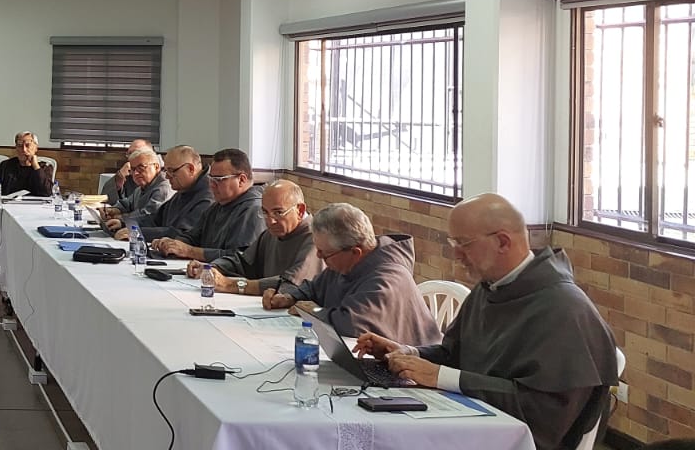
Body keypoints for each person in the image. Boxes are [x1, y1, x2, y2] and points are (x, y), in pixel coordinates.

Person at [353, 194, 617, 450]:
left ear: (502, 242)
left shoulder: (565, 310)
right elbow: (454, 354)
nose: (456, 255)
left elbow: (542, 412)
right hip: (470, 420)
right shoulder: (491, 287)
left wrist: (440, 376)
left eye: (463, 244)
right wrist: (408, 354)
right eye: (453, 243)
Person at [265, 202, 441, 345]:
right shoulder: (344, 261)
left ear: (355, 252)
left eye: (324, 253)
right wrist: (289, 297)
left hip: (413, 368)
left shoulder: (388, 278)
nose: (319, 256)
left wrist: (314, 311)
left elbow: (351, 323)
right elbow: (313, 289)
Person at [184, 179, 321, 296]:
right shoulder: (272, 233)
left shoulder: (316, 239)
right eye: (265, 212)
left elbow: (291, 285)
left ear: (300, 210)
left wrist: (230, 284)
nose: (271, 221)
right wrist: (210, 268)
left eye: (278, 212)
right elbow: (243, 263)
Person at [155, 148, 265, 262]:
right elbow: (193, 237)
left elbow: (240, 258)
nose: (212, 185)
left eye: (219, 179)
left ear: (241, 180)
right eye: (211, 179)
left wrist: (189, 251)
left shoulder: (254, 210)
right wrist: (172, 244)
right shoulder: (217, 206)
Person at [125, 145, 213, 243]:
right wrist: (126, 224)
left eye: (171, 171)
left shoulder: (208, 196)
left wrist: (136, 232)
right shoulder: (184, 189)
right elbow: (155, 219)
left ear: (190, 169)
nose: (167, 176)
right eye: (166, 170)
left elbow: (183, 234)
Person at [101, 149, 172, 240]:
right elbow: (126, 204)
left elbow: (149, 216)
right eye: (133, 169)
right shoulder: (142, 186)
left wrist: (121, 220)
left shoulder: (163, 188)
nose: (136, 173)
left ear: (156, 167)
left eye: (141, 168)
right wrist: (113, 210)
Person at [0, 132, 54, 198]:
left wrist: (36, 166)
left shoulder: (45, 167)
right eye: (20, 146)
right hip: (8, 205)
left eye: (27, 145)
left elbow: (47, 192)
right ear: (16, 148)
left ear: (36, 148)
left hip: (34, 207)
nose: (23, 149)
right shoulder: (5, 166)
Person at [99, 139, 159, 208]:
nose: (132, 157)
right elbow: (108, 200)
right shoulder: (129, 174)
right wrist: (119, 178)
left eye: (137, 153)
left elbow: (148, 212)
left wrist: (121, 214)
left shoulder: (162, 182)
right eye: (129, 153)